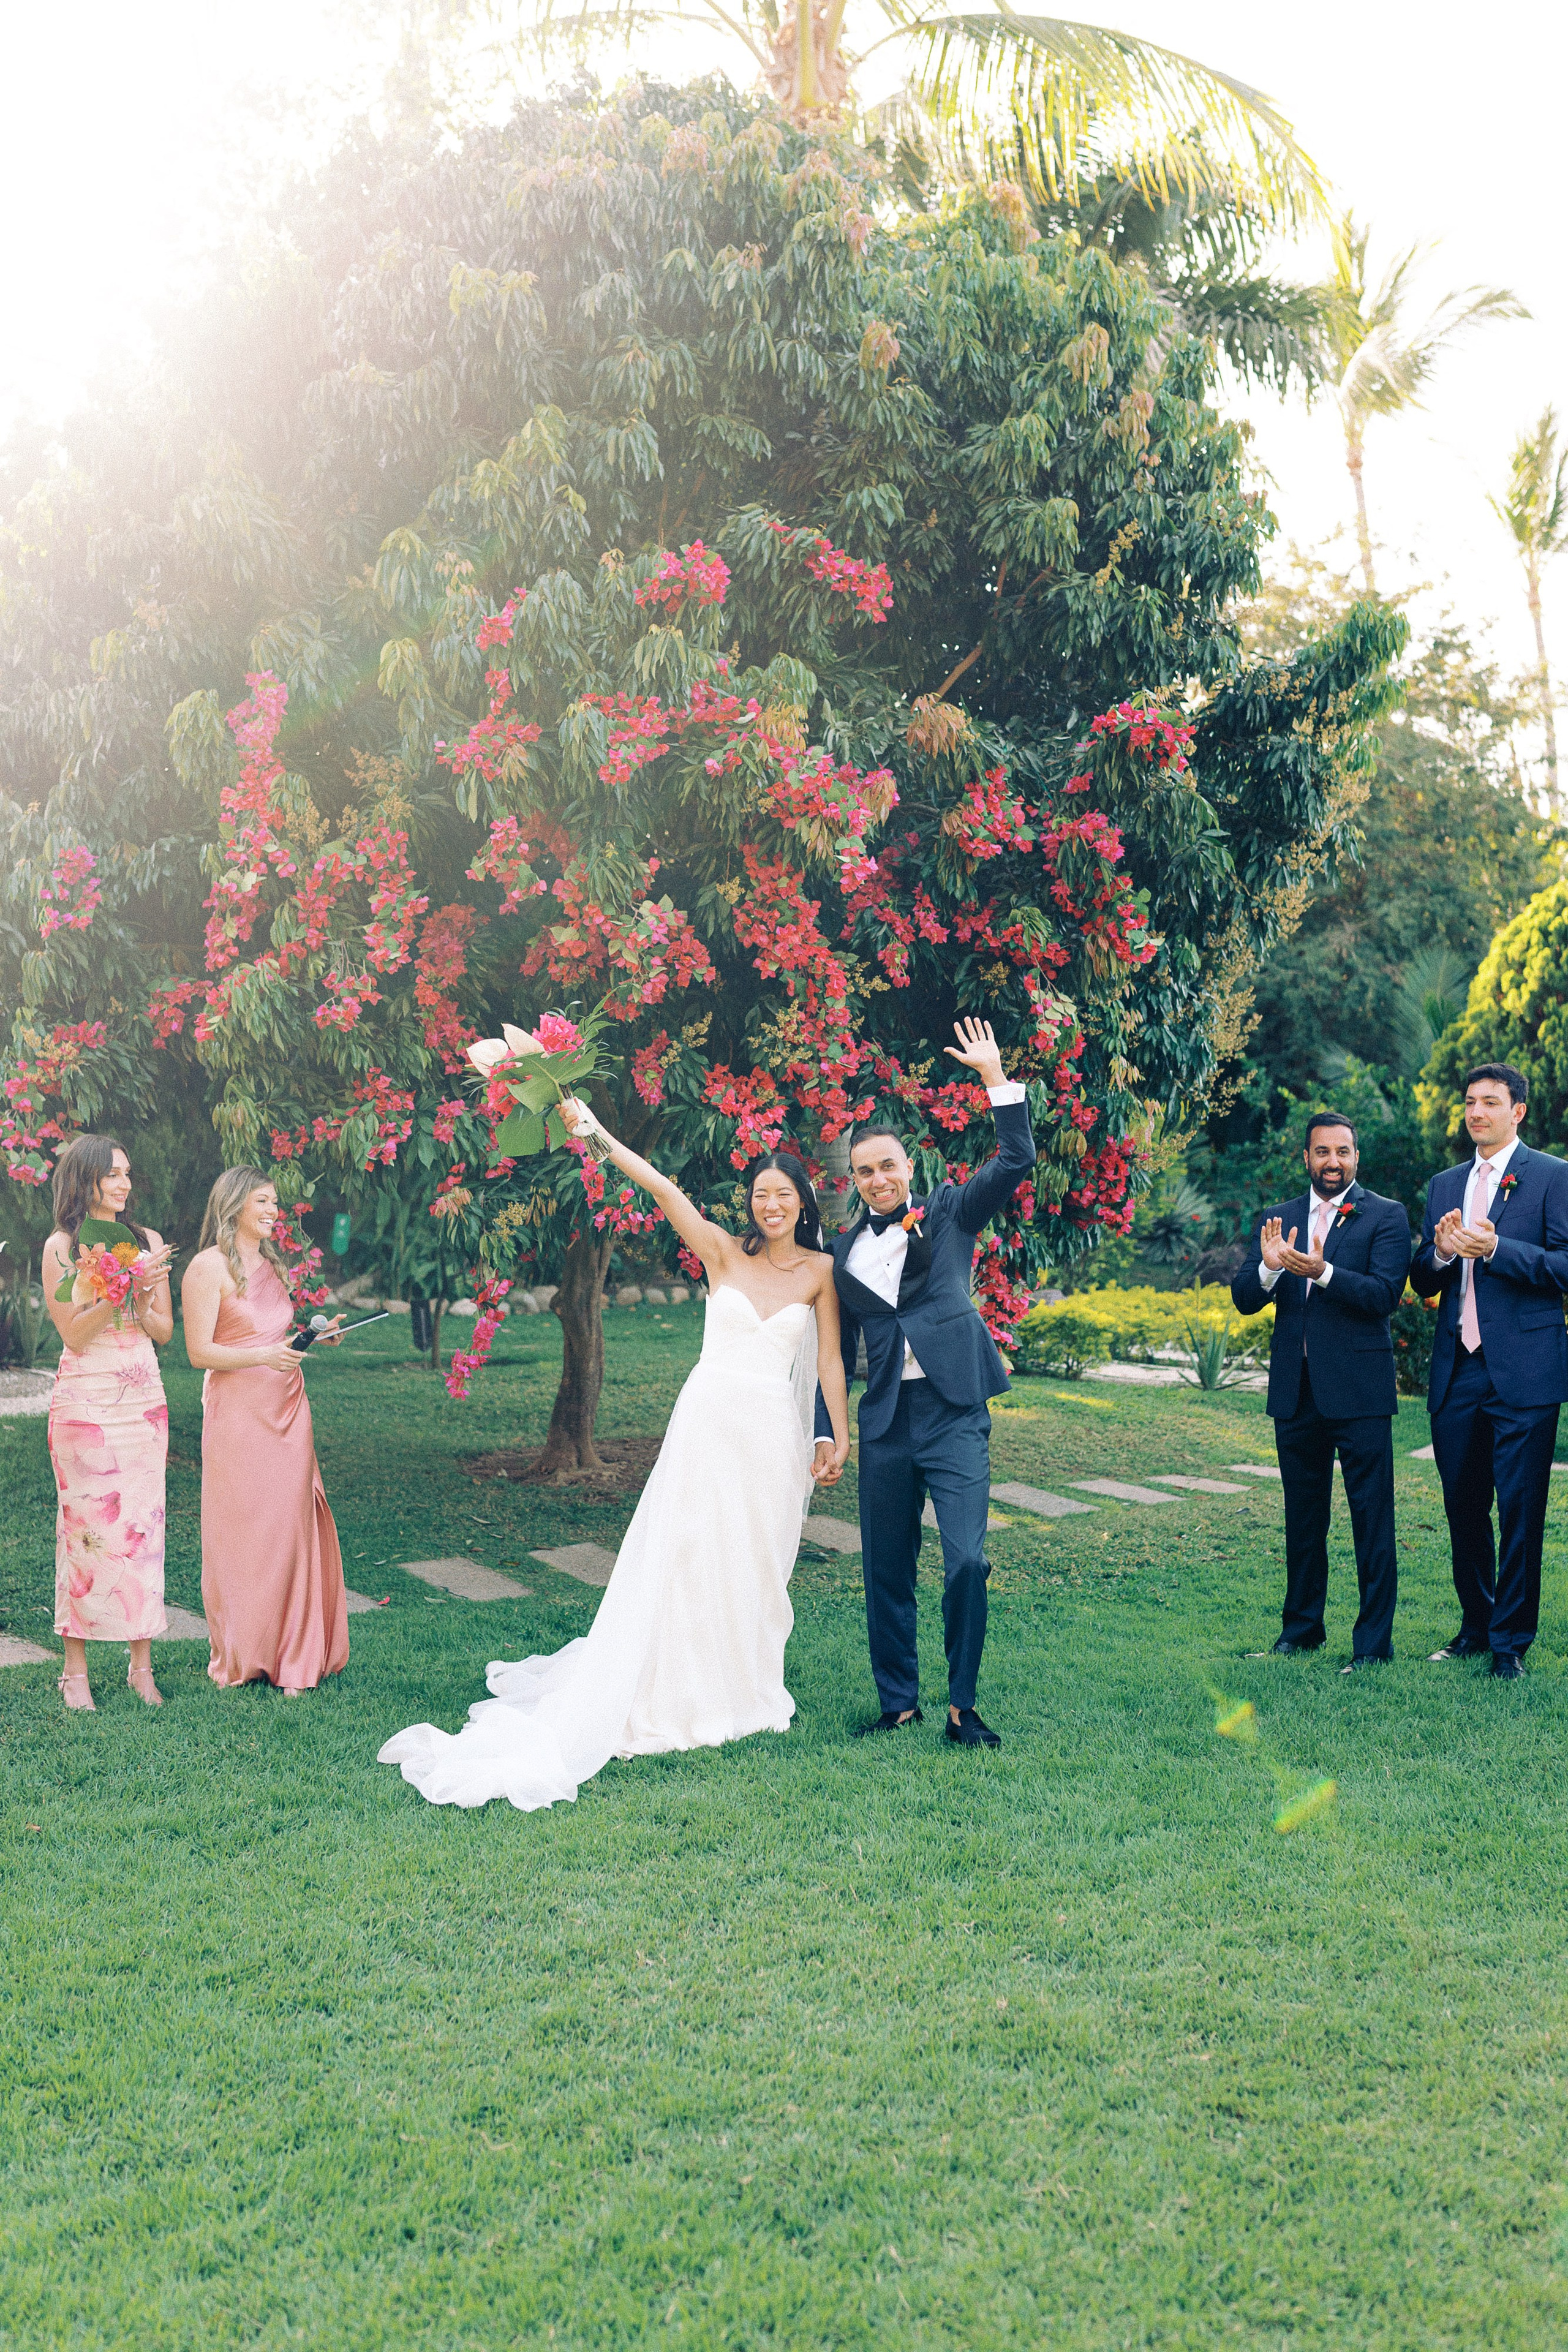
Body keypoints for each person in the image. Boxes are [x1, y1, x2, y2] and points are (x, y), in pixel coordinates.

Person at [380, 1136, 851, 1811]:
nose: (770, 1204)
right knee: (686, 1553)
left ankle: (742, 1685)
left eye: (783, 1194)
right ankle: (676, 1688)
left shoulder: (820, 1272)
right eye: (760, 1194)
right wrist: (597, 1133)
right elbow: (663, 1187)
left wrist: (835, 1430)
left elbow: (830, 1360)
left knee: (753, 1559)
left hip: (772, 1434)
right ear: (749, 1204)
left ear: (803, 1201)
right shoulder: (722, 1251)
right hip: (708, 1423)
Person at [818, 1017, 1035, 1748]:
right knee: (884, 1568)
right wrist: (831, 1428)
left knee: (967, 1556)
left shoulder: (947, 1212)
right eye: (864, 1172)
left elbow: (1014, 1159)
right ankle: (898, 1701)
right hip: (884, 1423)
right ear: (853, 1183)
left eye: (887, 1165)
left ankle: (961, 1707)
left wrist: (993, 1076)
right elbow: (834, 1350)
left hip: (952, 1411)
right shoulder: (842, 1254)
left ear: (908, 1166)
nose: (878, 1179)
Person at [1231, 1112, 1412, 1671]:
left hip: (1359, 1392)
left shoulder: (1386, 1215)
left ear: (1357, 1157)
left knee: (1371, 1521)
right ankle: (1302, 1630)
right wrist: (1267, 1269)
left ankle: (1372, 1647)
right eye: (1322, 1152)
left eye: (1343, 1152)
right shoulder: (1280, 1219)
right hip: (1297, 1393)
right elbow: (1243, 1298)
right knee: (1304, 1520)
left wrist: (1323, 1271)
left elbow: (1384, 1295)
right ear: (1306, 1158)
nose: (1333, 1162)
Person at [1409, 1062, 1568, 1679]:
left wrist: (1500, 1249)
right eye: (1470, 1102)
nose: (1477, 1113)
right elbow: (1421, 1274)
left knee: (1520, 1509)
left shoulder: (1552, 1178)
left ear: (1517, 1111)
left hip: (1524, 1370)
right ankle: (1475, 1626)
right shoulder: (1444, 1184)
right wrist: (1444, 1252)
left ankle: (1510, 1645)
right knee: (1463, 1505)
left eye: (1490, 1103)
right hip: (1458, 1369)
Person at [181, 1168, 349, 1696]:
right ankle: (244, 1654)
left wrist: (318, 1335)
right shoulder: (207, 1268)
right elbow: (198, 1352)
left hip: (288, 1407)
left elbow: (277, 1336)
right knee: (244, 1532)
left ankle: (294, 1655)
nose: (275, 1210)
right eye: (263, 1201)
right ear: (234, 1205)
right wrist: (263, 1356)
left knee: (288, 1527)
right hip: (238, 1414)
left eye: (276, 1201)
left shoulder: (273, 1264)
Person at [42, 1134, 176, 1711]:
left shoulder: (147, 1242)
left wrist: (144, 1296)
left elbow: (164, 1330)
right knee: (83, 1533)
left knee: (143, 1530)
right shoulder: (61, 1247)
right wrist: (117, 1289)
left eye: (127, 1174)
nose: (123, 1184)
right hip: (85, 1404)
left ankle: (140, 1666)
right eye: (112, 1175)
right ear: (85, 1180)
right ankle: (75, 1673)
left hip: (142, 1401)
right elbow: (74, 1333)